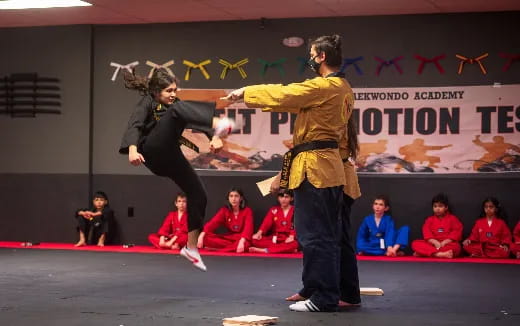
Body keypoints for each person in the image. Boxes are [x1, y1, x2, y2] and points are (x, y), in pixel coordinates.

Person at [225, 34, 349, 312]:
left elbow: (286, 93)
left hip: (316, 167)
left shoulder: (324, 86)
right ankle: (316, 289)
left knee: (315, 235)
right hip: (326, 166)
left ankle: (324, 296)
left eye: (313, 53)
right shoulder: (342, 88)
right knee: (320, 234)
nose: (311, 58)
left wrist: (247, 92)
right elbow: (290, 100)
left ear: (322, 57)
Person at [120, 68, 234, 271]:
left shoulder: (176, 105)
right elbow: (134, 125)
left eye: (175, 89)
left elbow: (197, 121)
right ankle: (219, 123)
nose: (173, 94)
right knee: (177, 110)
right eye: (168, 91)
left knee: (199, 194)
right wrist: (132, 150)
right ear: (156, 92)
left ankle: (191, 247)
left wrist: (215, 137)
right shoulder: (147, 102)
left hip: (170, 156)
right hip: (151, 151)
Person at [197, 188, 254, 253]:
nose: (233, 199)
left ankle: (220, 250)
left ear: (241, 198)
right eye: (231, 196)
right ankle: (231, 248)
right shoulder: (224, 210)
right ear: (228, 198)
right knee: (206, 238)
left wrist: (242, 241)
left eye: (236, 196)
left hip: (242, 239)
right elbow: (213, 223)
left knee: (246, 244)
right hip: (229, 239)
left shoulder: (247, 211)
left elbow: (248, 229)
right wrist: (201, 235)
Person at [411, 193, 463, 258]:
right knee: (415, 244)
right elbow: (426, 232)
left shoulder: (453, 219)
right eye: (435, 206)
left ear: (446, 207)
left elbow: (457, 231)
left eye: (440, 206)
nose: (437, 209)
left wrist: (445, 242)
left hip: (446, 244)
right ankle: (440, 255)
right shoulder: (429, 220)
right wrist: (434, 242)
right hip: (433, 244)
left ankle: (425, 253)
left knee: (457, 247)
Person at [249, 189, 298, 254]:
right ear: (278, 198)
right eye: (281, 197)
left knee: (295, 244)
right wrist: (259, 233)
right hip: (275, 238)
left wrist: (292, 236)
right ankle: (286, 250)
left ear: (291, 198)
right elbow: (266, 223)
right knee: (254, 240)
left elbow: (297, 225)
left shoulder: (295, 210)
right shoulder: (274, 210)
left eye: (286, 197)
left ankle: (265, 250)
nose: (283, 199)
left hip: (288, 238)